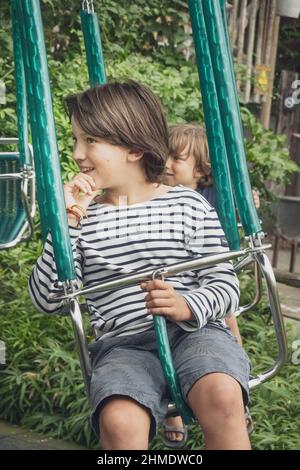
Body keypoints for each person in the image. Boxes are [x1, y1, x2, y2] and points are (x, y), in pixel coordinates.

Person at [28, 81, 251, 450]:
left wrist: (185, 305)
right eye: (75, 141)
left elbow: (225, 285)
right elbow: (47, 299)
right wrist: (66, 221)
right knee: (118, 420)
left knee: (222, 393)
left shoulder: (188, 205)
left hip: (196, 333)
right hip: (123, 345)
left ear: (133, 147)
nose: (77, 154)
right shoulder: (83, 220)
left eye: (90, 142)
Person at [162, 123, 256, 447]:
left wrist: (249, 203)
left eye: (177, 158)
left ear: (200, 169)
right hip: (171, 284)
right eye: (165, 155)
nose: (167, 164)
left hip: (207, 280)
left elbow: (236, 207)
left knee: (227, 321)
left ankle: (236, 384)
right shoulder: (156, 197)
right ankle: (172, 411)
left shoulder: (210, 197)